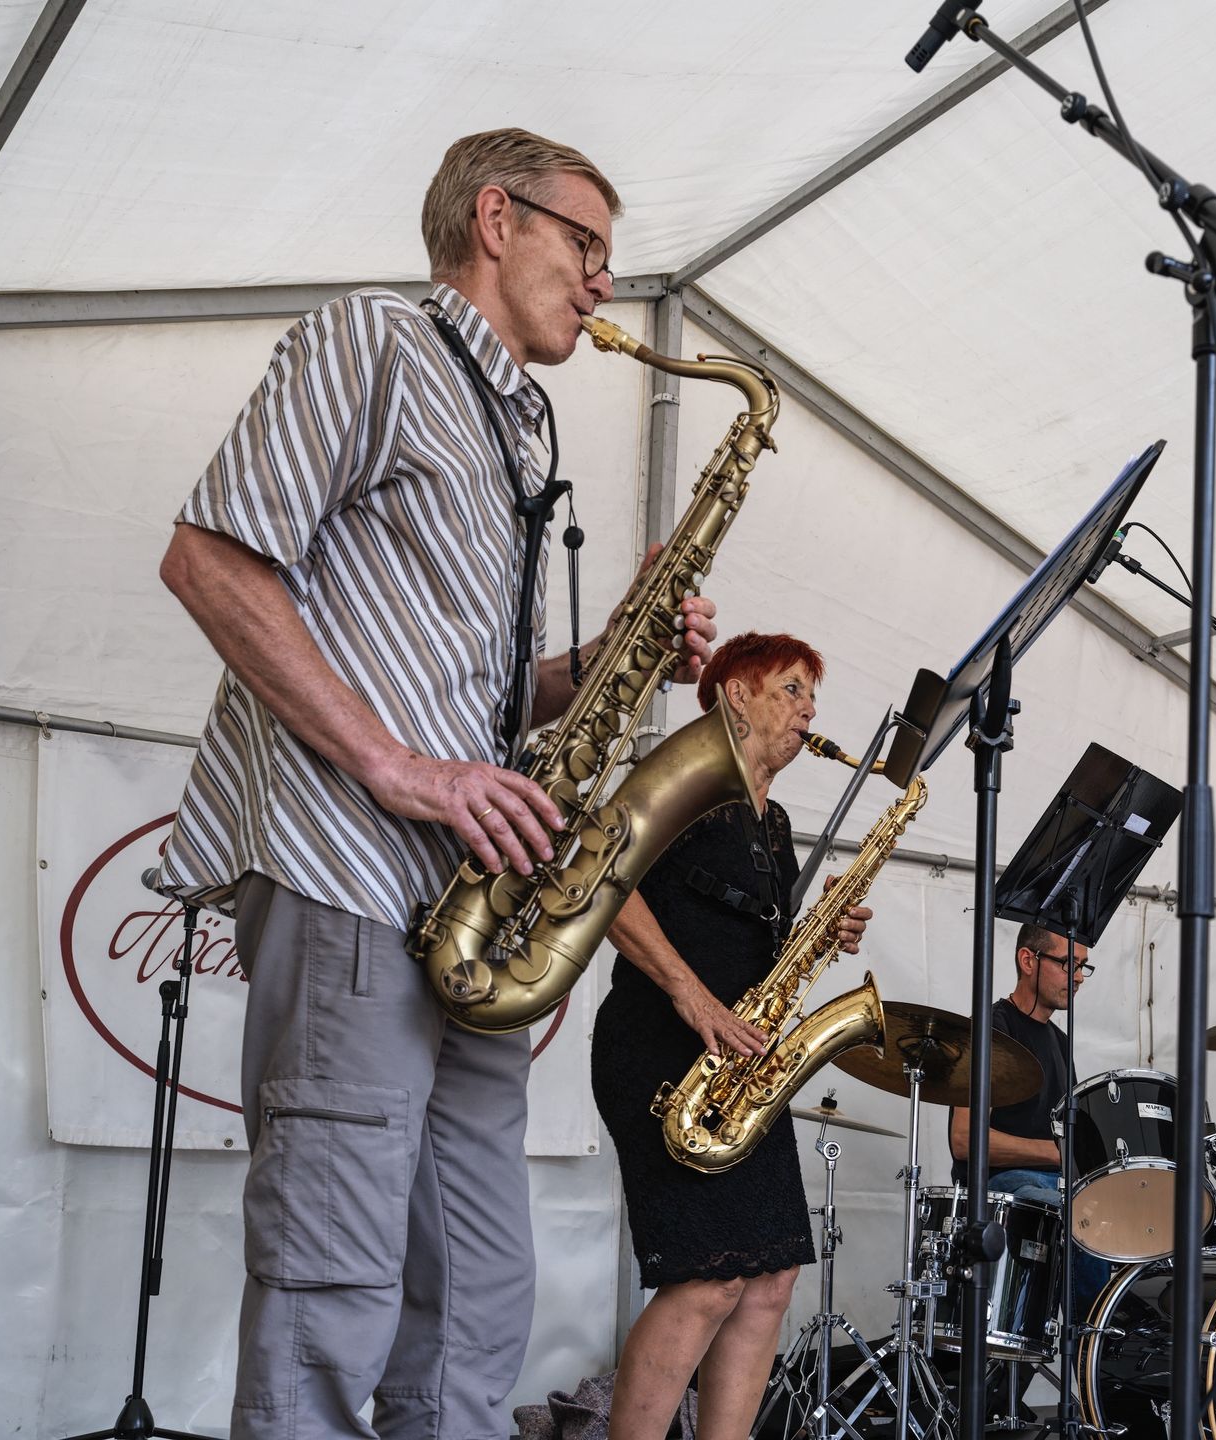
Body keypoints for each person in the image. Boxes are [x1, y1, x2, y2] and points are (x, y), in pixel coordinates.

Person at [153, 128, 718, 1440]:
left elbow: (483, 704)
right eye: (587, 244)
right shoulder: (375, 340)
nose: (604, 282)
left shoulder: (512, 431)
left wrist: (609, 653)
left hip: (468, 915)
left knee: (478, 1288)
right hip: (351, 874)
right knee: (333, 1284)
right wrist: (396, 767)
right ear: (495, 218)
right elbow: (209, 560)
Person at [591, 632, 872, 1440]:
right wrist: (690, 996)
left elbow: (749, 948)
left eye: (812, 694)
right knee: (705, 1282)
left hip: (740, 1069)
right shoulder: (685, 782)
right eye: (791, 688)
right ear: (735, 694)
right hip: (662, 1050)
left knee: (771, 1281)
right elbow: (602, 880)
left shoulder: (772, 822)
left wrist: (821, 932)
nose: (808, 709)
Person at [947, 923, 1108, 1311]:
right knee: (1078, 1217)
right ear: (1028, 960)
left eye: (1084, 966)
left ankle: (1113, 1335)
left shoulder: (1061, 1043)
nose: (1078, 977)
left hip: (1056, 1184)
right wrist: (1056, 1153)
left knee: (1122, 1214)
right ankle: (1090, 1336)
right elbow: (965, 1140)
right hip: (1001, 1187)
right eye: (1068, 963)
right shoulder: (991, 1029)